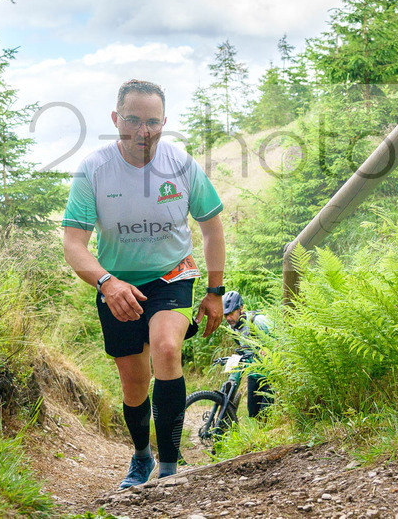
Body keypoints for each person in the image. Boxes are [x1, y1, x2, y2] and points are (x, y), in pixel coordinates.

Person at [62, 79, 225, 489]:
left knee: (167, 348)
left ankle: (169, 467)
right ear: (115, 119)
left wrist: (215, 291)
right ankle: (141, 457)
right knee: (134, 383)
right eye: (132, 120)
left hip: (172, 275)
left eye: (152, 122)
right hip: (117, 285)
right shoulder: (94, 169)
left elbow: (211, 228)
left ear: (164, 122)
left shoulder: (181, 165)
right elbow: (74, 243)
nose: (143, 131)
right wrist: (106, 282)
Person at [222, 290, 274, 419]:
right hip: (253, 374)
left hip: (270, 375)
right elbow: (242, 351)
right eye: (225, 315)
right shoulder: (233, 328)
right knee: (253, 414)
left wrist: (268, 349)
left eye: (231, 313)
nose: (228, 318)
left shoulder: (258, 321)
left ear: (241, 308)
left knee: (266, 414)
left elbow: (280, 339)